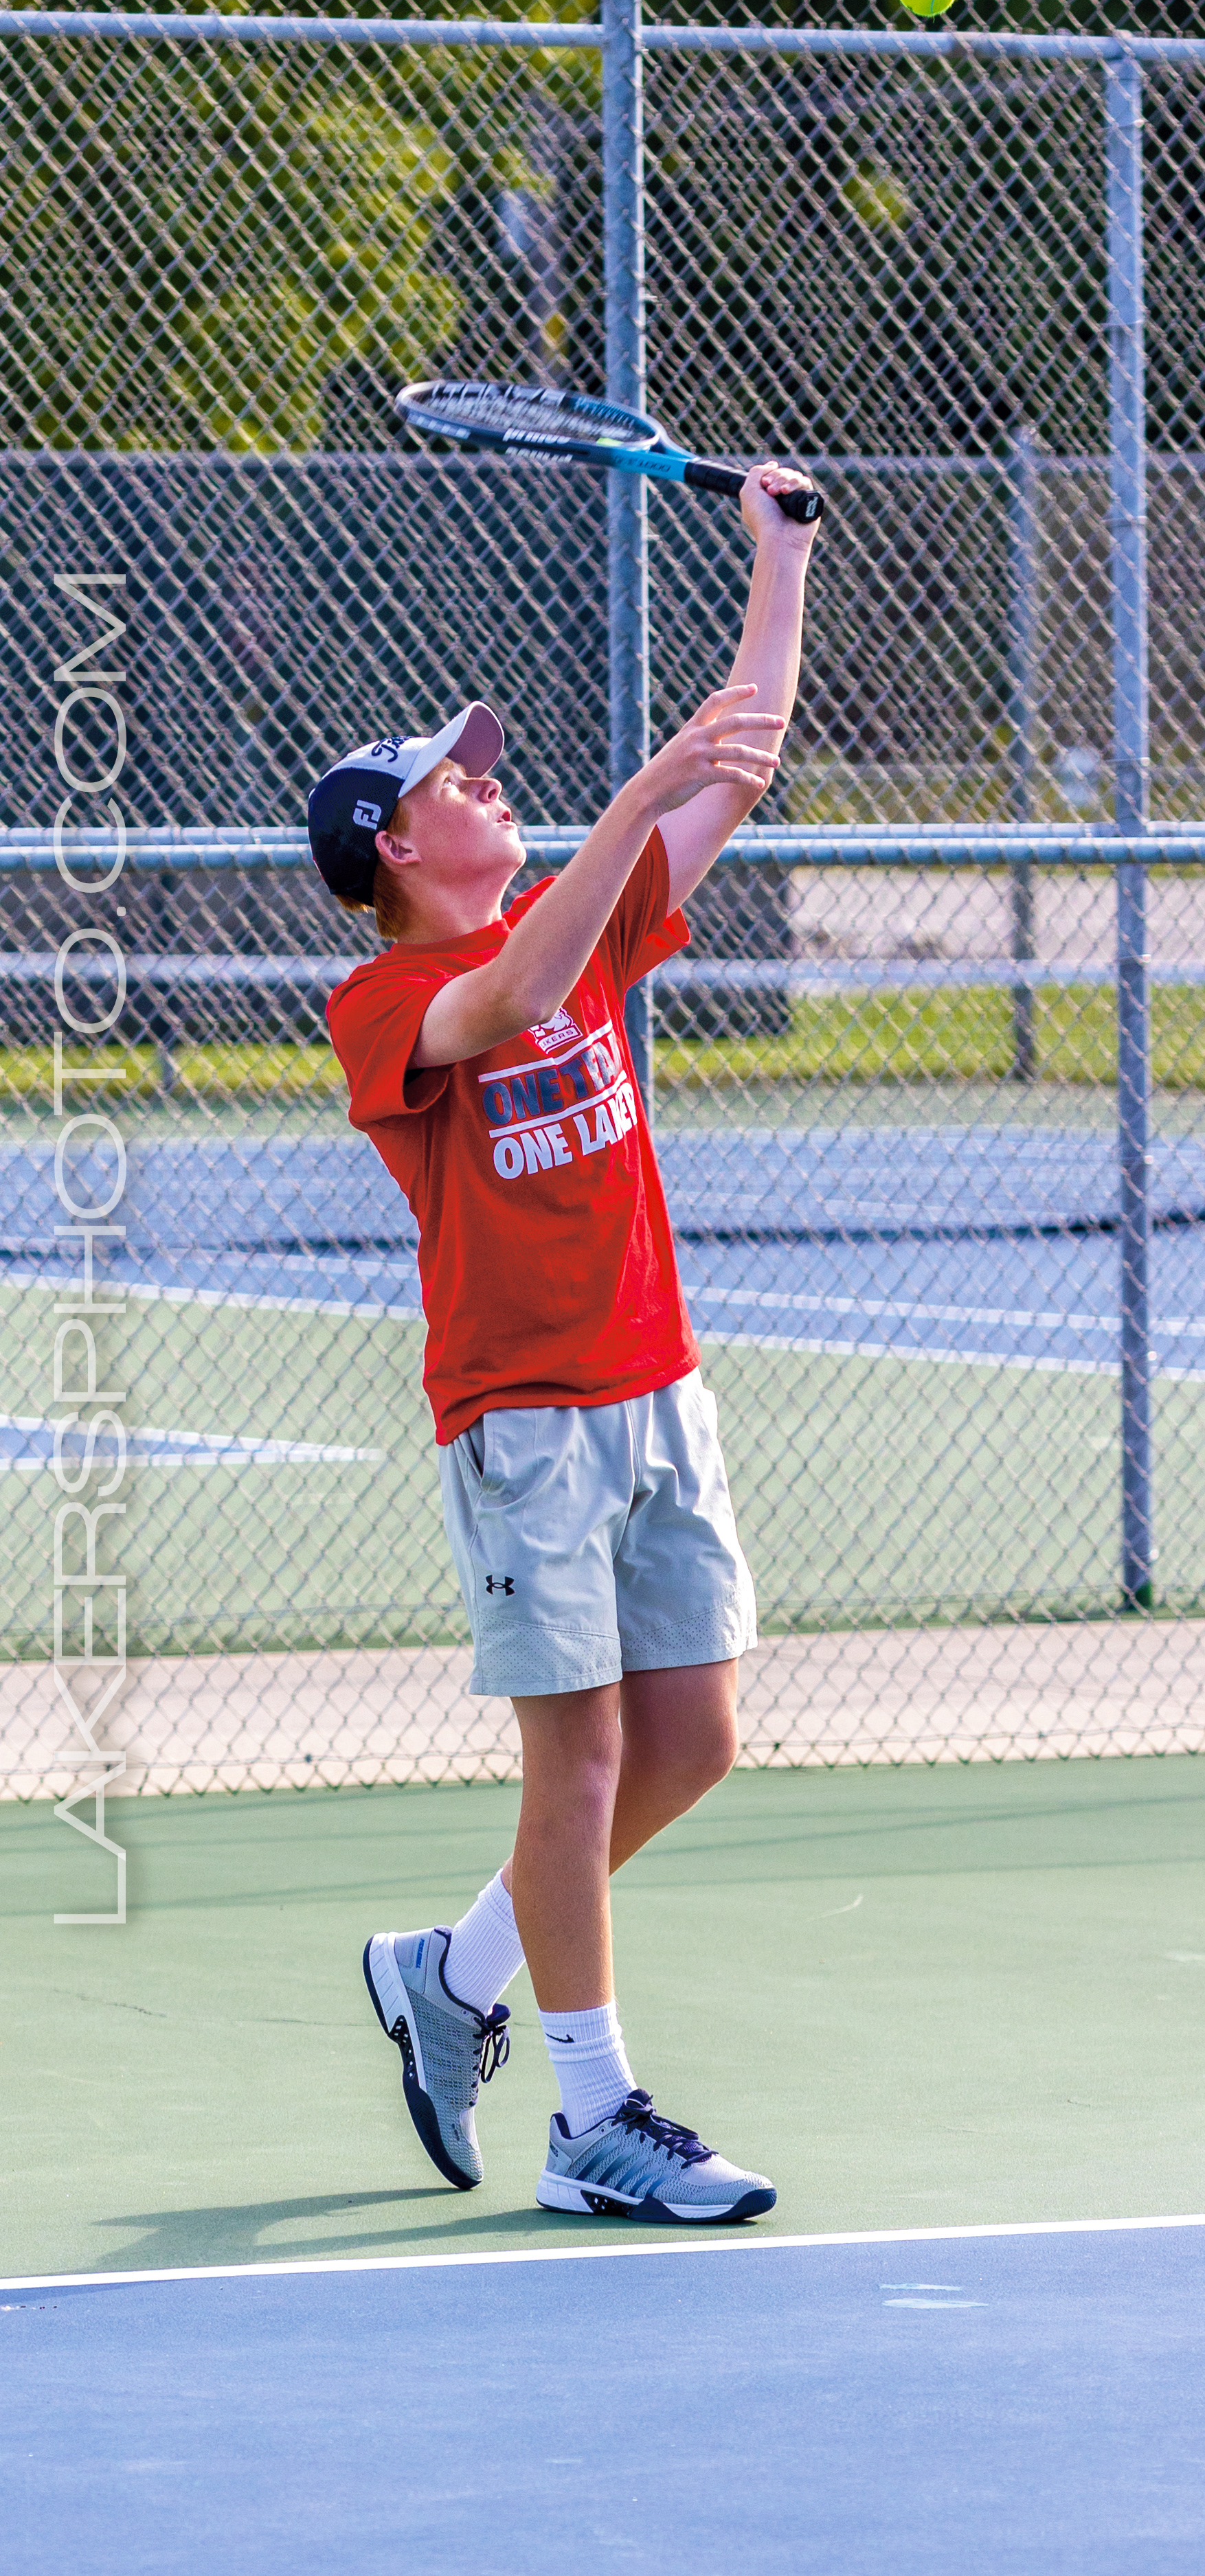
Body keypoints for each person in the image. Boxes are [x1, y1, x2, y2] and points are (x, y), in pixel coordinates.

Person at [313, 462, 820, 2224]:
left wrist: (777, 557)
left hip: (657, 1393)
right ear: (396, 849)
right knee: (583, 1761)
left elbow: (741, 757)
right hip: (523, 1423)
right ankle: (591, 2120)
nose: (486, 782)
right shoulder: (386, 1000)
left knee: (690, 1741)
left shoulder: (587, 922)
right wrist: (629, 795)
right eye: (454, 782)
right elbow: (514, 993)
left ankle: (451, 1973)